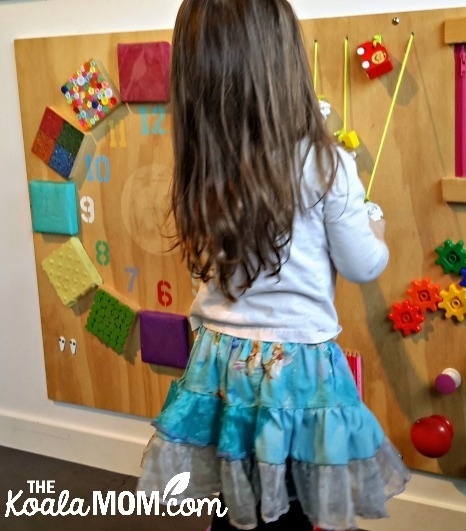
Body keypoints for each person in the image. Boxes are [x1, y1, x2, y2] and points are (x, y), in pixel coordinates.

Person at [136, 0, 411, 529]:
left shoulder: (203, 161)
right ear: (284, 60)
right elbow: (363, 264)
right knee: (289, 502)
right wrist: (374, 223)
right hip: (295, 369)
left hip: (221, 358)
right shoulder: (324, 160)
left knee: (237, 491)